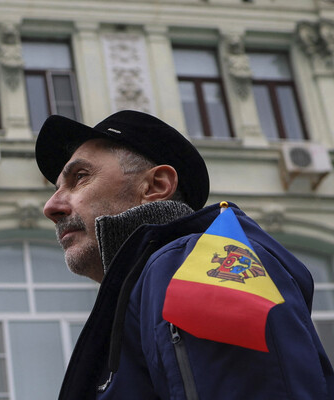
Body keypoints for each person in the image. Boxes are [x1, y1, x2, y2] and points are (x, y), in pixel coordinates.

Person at [35, 110, 334, 399]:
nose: (51, 207)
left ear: (156, 185)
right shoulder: (143, 290)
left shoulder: (192, 264)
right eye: (56, 188)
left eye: (80, 177)